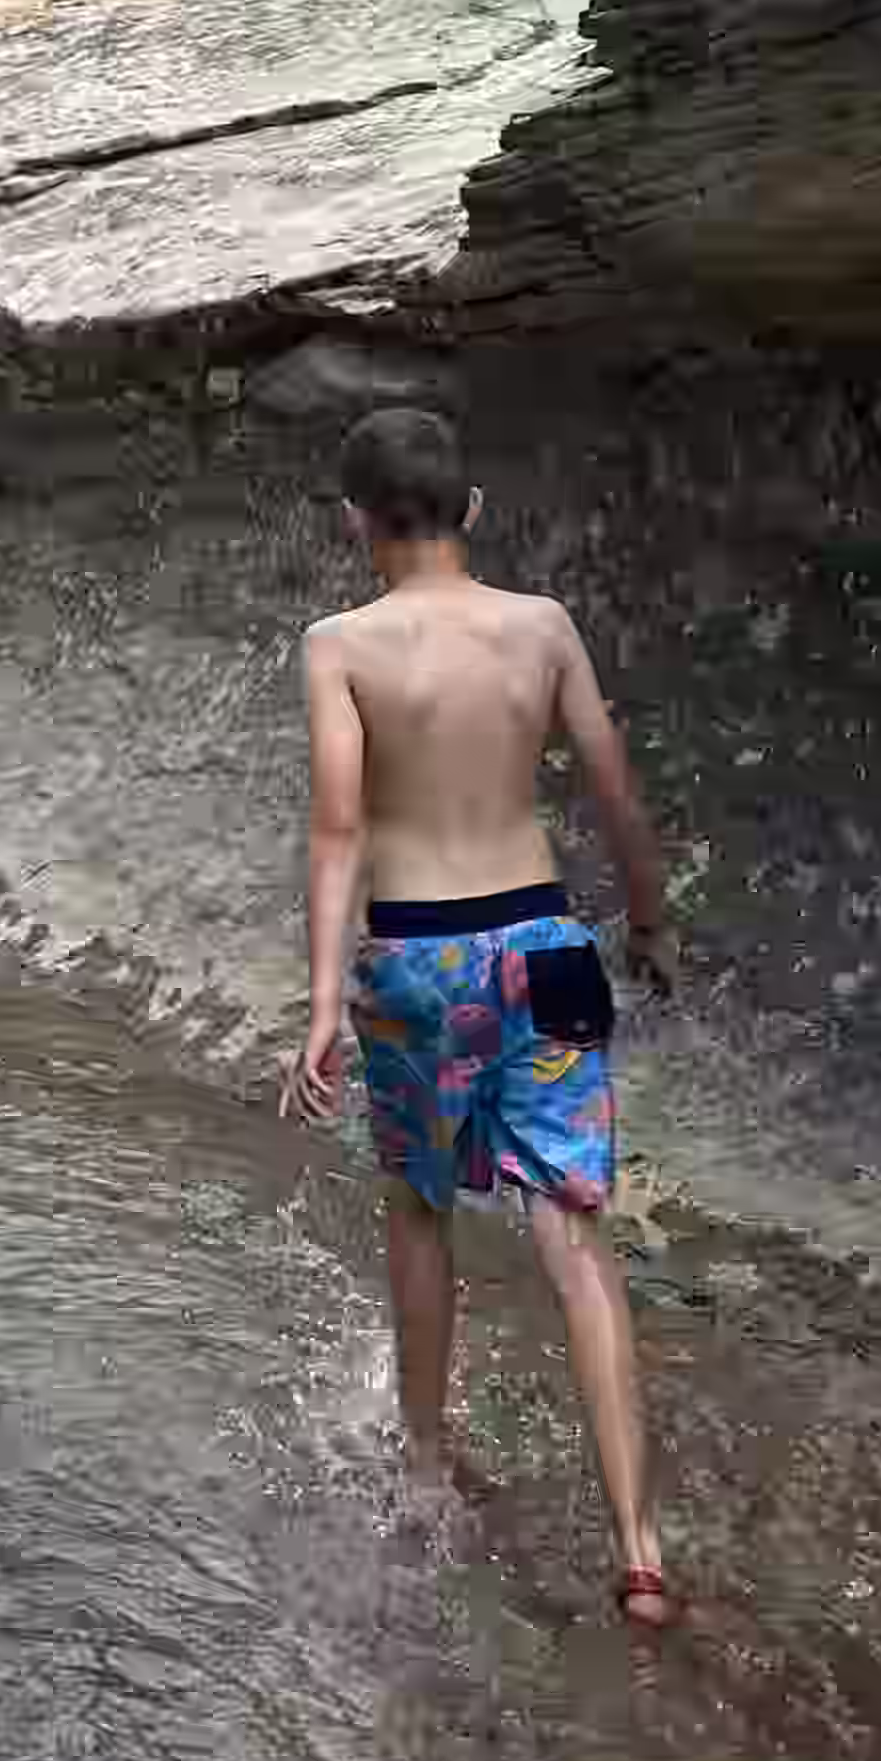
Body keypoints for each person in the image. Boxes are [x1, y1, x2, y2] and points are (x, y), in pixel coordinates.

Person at [277, 403, 682, 1626]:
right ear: (475, 513)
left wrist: (318, 1006)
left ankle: (422, 1465)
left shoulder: (340, 644)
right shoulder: (543, 627)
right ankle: (641, 1548)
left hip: (417, 962)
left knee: (419, 1207)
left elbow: (340, 825)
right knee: (575, 1234)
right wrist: (652, 920)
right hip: (548, 945)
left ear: (356, 525)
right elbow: (610, 781)